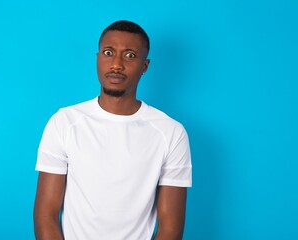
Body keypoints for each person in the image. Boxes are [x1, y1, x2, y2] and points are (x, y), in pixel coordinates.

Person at [34, 20, 192, 240]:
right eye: (108, 52)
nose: (116, 64)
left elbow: (170, 228)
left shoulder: (171, 133)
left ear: (144, 66)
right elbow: (46, 215)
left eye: (129, 55)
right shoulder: (64, 122)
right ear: (97, 58)